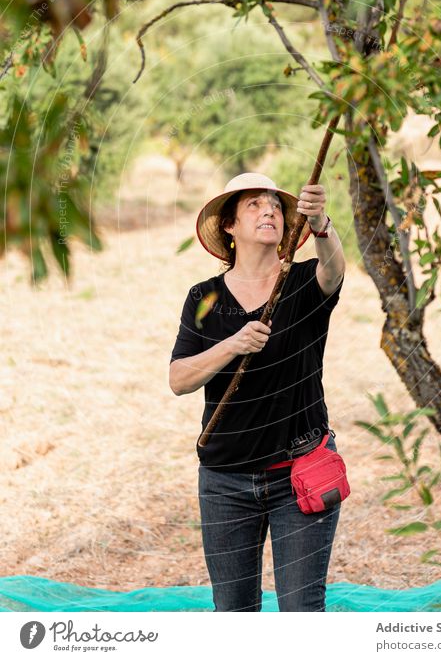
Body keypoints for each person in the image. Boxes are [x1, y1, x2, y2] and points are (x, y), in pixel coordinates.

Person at [169, 172, 345, 612]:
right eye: (253, 204)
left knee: (302, 611)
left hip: (299, 471)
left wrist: (321, 220)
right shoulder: (204, 297)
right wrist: (233, 345)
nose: (268, 210)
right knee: (233, 613)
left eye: (275, 206)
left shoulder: (304, 284)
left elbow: (334, 268)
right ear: (229, 226)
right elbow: (179, 379)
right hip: (225, 480)